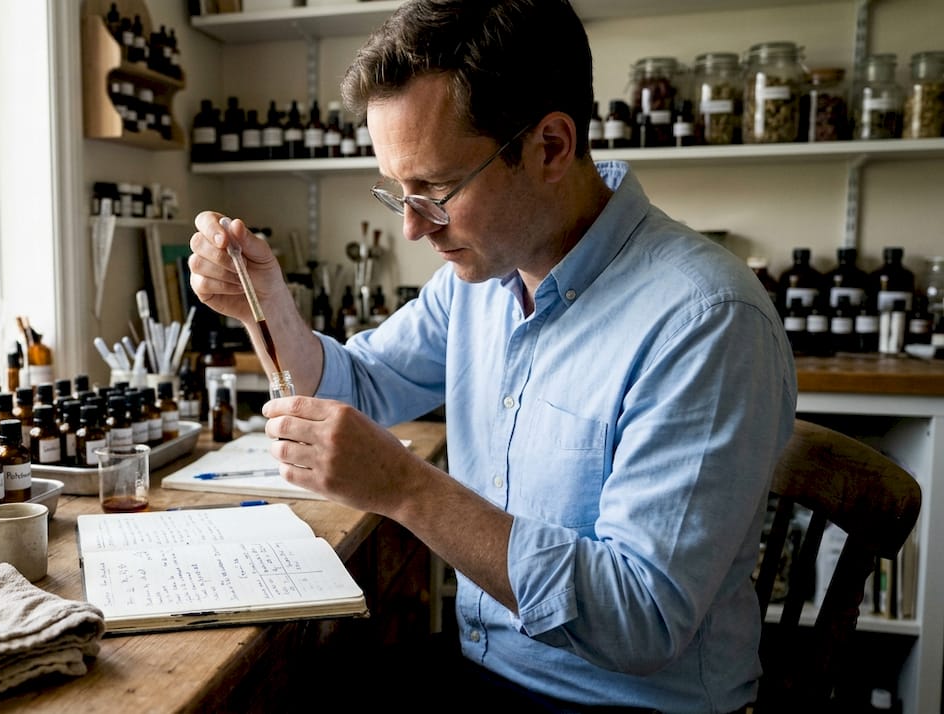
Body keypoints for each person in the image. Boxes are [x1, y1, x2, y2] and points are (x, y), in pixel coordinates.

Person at [187, 1, 796, 711]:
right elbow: (362, 383)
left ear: (550, 147)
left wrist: (409, 489)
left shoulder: (705, 321)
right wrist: (268, 304)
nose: (413, 227)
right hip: (489, 666)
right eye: (398, 192)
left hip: (624, 701)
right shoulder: (483, 279)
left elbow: (643, 619)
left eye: (436, 191)